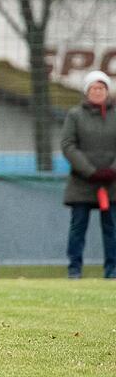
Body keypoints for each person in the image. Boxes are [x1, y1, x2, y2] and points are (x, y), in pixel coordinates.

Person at [61, 70, 116, 279]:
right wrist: (89, 171)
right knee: (78, 227)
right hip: (82, 183)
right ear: (87, 91)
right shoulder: (75, 115)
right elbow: (68, 145)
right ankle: (74, 269)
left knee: (111, 228)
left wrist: (111, 170)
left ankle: (112, 270)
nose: (98, 91)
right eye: (94, 88)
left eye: (101, 88)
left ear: (107, 91)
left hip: (112, 184)